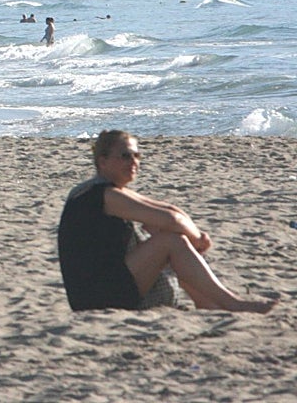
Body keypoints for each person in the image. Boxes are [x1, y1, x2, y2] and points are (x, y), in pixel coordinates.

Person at [57, 129, 276, 313]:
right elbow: (172, 218)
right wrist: (198, 239)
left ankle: (208, 303)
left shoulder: (103, 190)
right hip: (96, 298)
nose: (134, 162)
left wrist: (194, 236)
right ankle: (232, 303)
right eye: (125, 156)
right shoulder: (104, 195)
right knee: (170, 241)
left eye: (137, 156)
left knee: (166, 234)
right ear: (103, 161)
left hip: (102, 287)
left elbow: (169, 210)